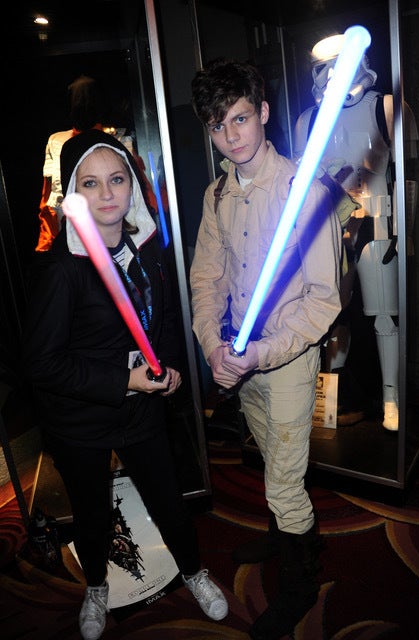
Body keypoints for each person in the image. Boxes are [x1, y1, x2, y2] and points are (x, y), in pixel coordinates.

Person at [22, 128, 228, 640]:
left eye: (117, 179)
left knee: (169, 501)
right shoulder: (62, 273)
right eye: (90, 184)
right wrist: (124, 379)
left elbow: (165, 322)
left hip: (140, 412)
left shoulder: (149, 252)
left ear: (133, 185)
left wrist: (172, 365)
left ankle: (194, 572)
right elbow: (42, 364)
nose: (108, 193)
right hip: (81, 420)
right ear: (73, 194)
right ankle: (96, 587)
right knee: (91, 514)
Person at [190, 59, 342, 640]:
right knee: (266, 457)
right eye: (216, 124)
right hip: (239, 357)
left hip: (287, 359)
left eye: (240, 119)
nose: (230, 136)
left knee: (284, 480)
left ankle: (303, 581)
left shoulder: (306, 186)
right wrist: (213, 347)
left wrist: (262, 353)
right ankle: (283, 535)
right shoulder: (217, 193)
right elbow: (207, 279)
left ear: (264, 113)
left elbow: (324, 300)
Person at [293, 33, 418, 430]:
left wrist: (403, 230)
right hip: (329, 231)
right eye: (324, 68)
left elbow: (408, 178)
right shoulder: (308, 120)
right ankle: (331, 397)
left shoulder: (387, 107)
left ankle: (390, 400)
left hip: (379, 225)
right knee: (330, 317)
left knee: (384, 317)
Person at [35, 74, 158, 252]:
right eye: (90, 182)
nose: (83, 103)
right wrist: (48, 244)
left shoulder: (118, 140)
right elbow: (49, 200)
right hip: (75, 238)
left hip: (121, 236)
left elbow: (142, 192)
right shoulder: (57, 141)